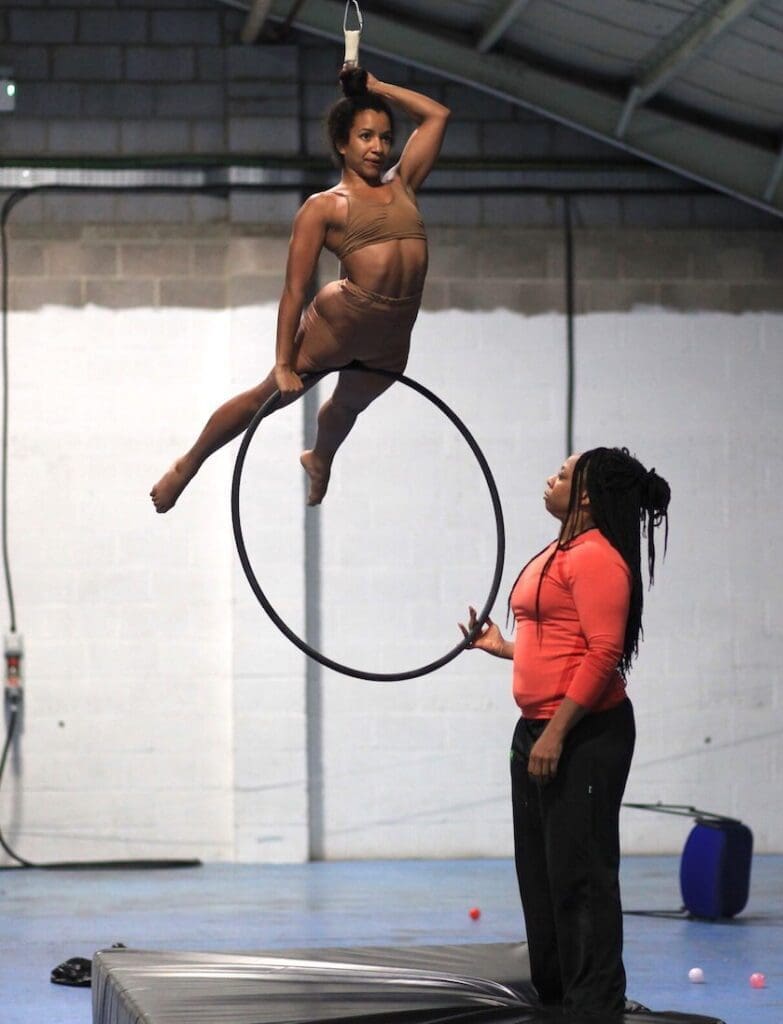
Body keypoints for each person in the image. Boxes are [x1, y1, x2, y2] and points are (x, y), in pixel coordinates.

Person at [150, 67, 450, 512]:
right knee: (267, 398)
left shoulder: (403, 185)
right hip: (341, 322)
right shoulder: (324, 207)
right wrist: (284, 361)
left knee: (346, 408)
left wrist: (377, 88)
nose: (378, 148)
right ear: (343, 144)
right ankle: (188, 464)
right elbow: (293, 289)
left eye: (386, 138)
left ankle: (320, 456)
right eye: (366, 137)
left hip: (391, 335)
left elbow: (437, 116)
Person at [460, 446, 670, 1018]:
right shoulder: (560, 550)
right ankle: (558, 999)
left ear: (584, 494)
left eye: (562, 472)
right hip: (536, 729)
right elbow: (557, 640)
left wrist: (555, 734)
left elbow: (603, 654)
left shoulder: (599, 557)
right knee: (540, 873)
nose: (548, 477)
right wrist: (503, 647)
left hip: (584, 735)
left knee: (582, 875)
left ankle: (595, 1003)